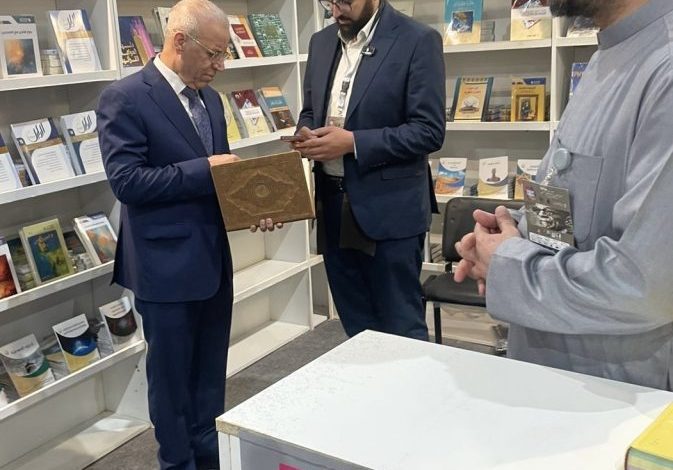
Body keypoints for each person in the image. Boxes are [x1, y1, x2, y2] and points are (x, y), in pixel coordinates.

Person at [455, 0, 673, 391]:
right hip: (555, 377)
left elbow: (645, 288)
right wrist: (510, 235)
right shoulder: (610, 52)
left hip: (614, 398)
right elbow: (575, 201)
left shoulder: (664, 68)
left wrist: (508, 264)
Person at [97, 1, 279, 468]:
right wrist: (205, 168)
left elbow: (223, 181)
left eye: (225, 54)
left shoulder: (211, 101)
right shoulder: (125, 98)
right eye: (214, 54)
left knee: (209, 378)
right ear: (180, 41)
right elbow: (128, 183)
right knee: (172, 383)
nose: (221, 65)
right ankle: (176, 463)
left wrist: (253, 208)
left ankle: (209, 457)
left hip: (213, 263)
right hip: (164, 269)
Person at [289, 0, 445, 340]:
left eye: (345, 1)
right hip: (331, 204)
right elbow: (311, 110)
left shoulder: (417, 39)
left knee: (401, 325)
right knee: (356, 325)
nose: (336, 11)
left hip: (390, 207)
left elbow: (429, 131)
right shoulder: (321, 42)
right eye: (329, 2)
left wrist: (353, 143)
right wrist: (306, 133)